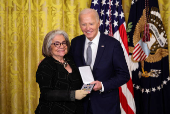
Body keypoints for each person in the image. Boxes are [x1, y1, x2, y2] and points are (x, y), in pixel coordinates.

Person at [69, 8, 130, 114]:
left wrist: (102, 85)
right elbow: (68, 64)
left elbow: (124, 75)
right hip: (81, 105)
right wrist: (49, 62)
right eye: (84, 24)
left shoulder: (113, 45)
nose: (88, 28)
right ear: (79, 25)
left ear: (98, 23)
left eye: (91, 24)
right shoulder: (75, 42)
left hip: (106, 106)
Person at [35, 30, 89, 114]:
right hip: (52, 110)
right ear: (49, 46)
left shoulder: (71, 60)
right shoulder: (45, 65)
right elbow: (46, 93)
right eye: (57, 43)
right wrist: (73, 95)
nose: (62, 46)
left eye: (64, 43)